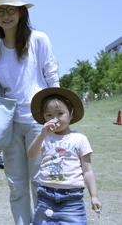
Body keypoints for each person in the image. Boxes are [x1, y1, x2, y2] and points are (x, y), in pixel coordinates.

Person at [0, 0, 60, 225]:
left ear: (21, 12)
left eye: (10, 9)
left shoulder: (38, 39)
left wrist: (58, 117)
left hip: (38, 124)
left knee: (40, 183)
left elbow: (52, 77)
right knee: (17, 186)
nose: (5, 15)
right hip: (9, 125)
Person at [27, 87, 102, 222]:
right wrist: (42, 134)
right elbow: (31, 154)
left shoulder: (79, 138)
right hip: (46, 195)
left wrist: (94, 196)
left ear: (71, 114)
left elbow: (88, 171)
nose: (54, 119)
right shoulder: (44, 138)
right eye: (49, 115)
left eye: (60, 113)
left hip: (72, 199)